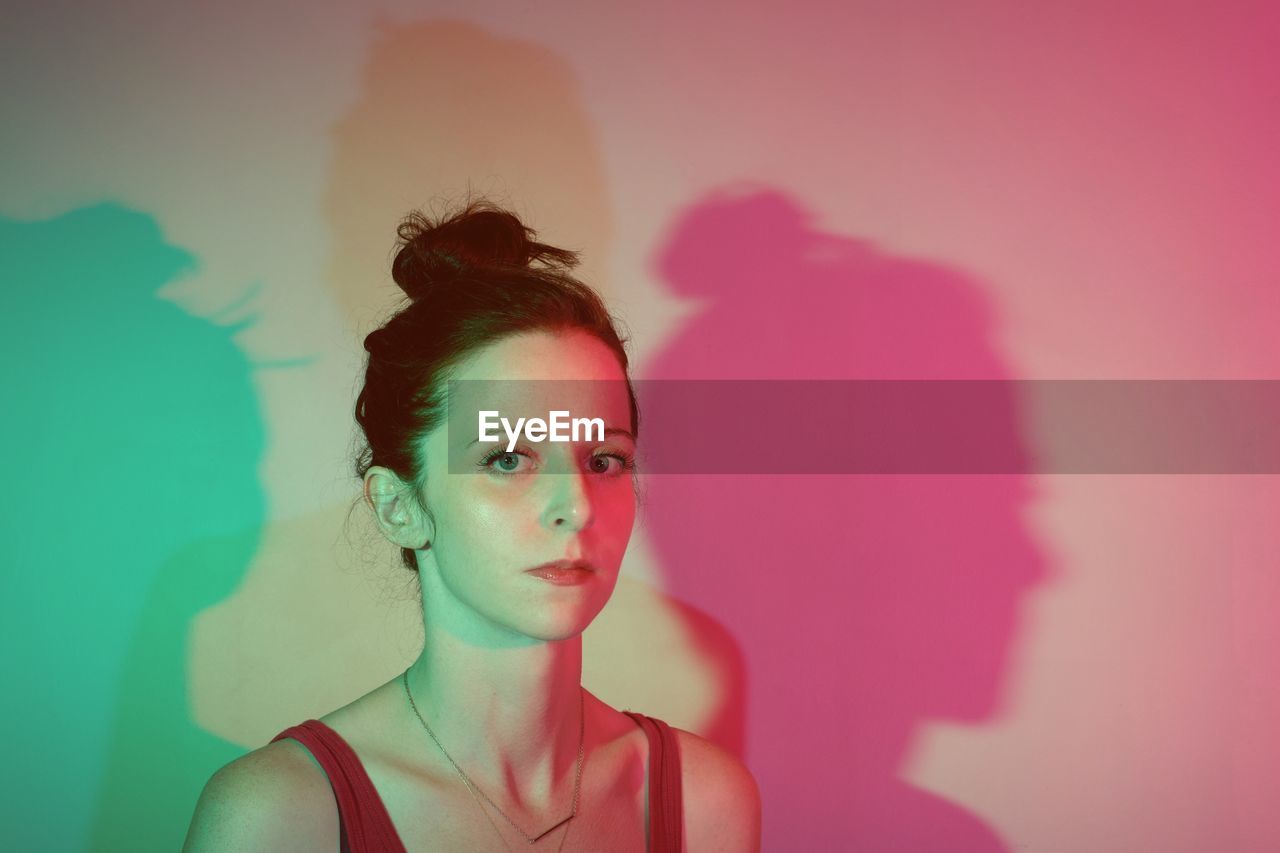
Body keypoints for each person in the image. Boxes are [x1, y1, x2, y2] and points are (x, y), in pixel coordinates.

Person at [182, 197, 762, 852]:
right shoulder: (279, 815)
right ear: (399, 505)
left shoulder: (703, 802)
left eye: (603, 458)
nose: (576, 504)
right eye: (507, 457)